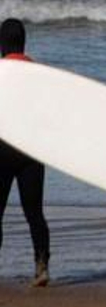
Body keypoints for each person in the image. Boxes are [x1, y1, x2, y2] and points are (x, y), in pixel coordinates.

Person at [0, 20, 50, 288]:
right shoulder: (39, 73)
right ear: (24, 42)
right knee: (34, 213)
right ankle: (41, 267)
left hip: (2, 150)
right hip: (31, 151)